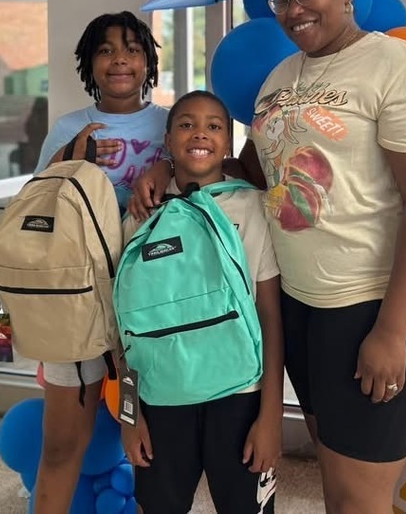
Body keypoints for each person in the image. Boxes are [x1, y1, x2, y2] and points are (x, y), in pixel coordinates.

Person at [131, 0, 406, 514]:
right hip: (306, 307)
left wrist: (391, 331)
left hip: (376, 305)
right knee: (335, 476)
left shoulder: (397, 64)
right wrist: (169, 164)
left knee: (360, 497)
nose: (294, 8)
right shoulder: (282, 74)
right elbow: (253, 171)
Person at [120, 90, 283, 514]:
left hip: (241, 396)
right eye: (187, 124)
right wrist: (129, 415)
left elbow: (269, 316)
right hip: (160, 400)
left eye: (214, 126)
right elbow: (122, 330)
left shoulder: (251, 207)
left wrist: (271, 417)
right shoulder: (141, 214)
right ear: (169, 141)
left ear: (228, 144)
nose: (201, 133)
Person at [33, 11, 168, 514]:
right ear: (90, 62)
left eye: (132, 49)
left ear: (148, 61)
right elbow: (35, 206)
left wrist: (167, 162)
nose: (120, 60)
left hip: (151, 306)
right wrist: (73, 156)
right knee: (65, 443)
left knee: (151, 437)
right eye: (106, 50)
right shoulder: (70, 127)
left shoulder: (166, 123)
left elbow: (205, 172)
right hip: (80, 307)